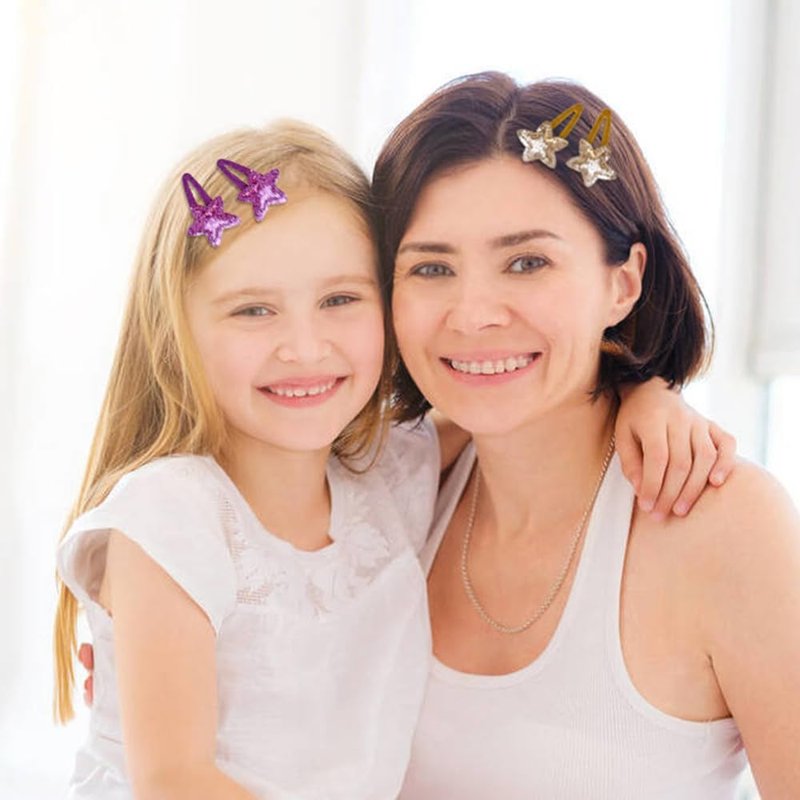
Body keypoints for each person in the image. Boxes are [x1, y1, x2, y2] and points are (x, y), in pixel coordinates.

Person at [57, 117, 735, 799]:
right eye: (253, 311)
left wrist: (646, 395)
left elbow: (512, 390)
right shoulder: (170, 515)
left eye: (340, 300)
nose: (304, 347)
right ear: (175, 329)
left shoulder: (383, 481)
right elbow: (175, 782)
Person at [371, 72, 800, 799]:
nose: (473, 314)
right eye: (432, 267)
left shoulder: (723, 523)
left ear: (623, 284)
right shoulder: (394, 498)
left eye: (527, 262)